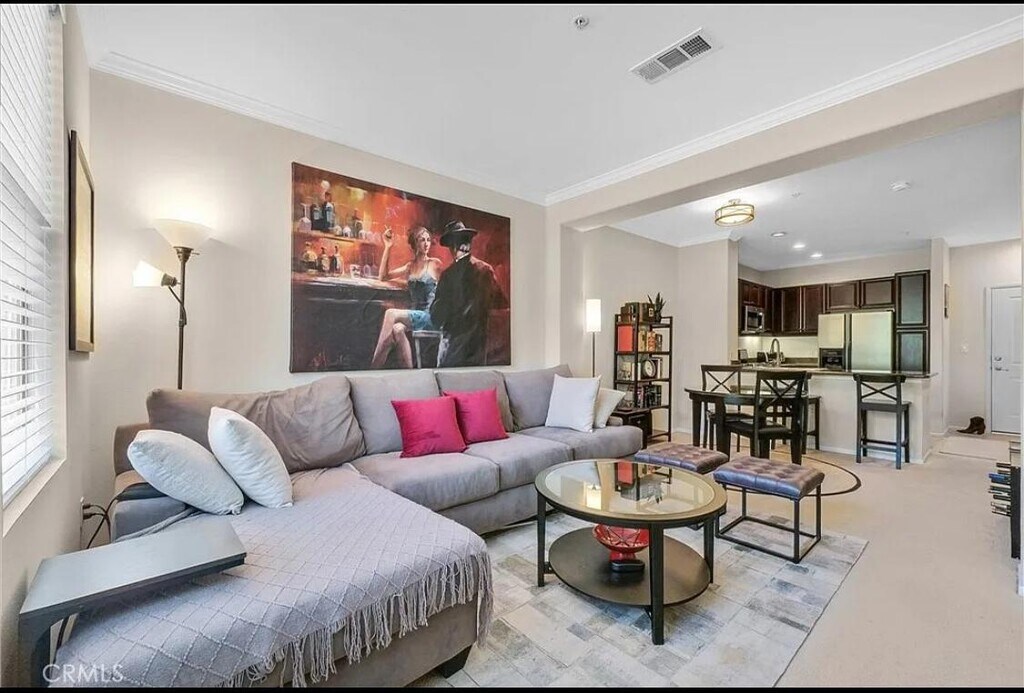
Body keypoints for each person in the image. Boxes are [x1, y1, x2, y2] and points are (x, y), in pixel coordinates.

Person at [430, 220, 507, 368]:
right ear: (468, 244)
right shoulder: (485, 270)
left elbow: (436, 318)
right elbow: (501, 304)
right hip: (478, 351)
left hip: (452, 351)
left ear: (452, 247)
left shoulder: (448, 276)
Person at [369, 226, 441, 368]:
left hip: (430, 317)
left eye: (428, 240)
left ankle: (373, 368)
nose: (426, 244)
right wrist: (388, 247)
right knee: (397, 329)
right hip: (416, 316)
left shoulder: (435, 264)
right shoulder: (410, 266)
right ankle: (409, 372)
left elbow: (448, 288)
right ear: (415, 243)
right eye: (422, 240)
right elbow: (383, 276)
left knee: (391, 313)